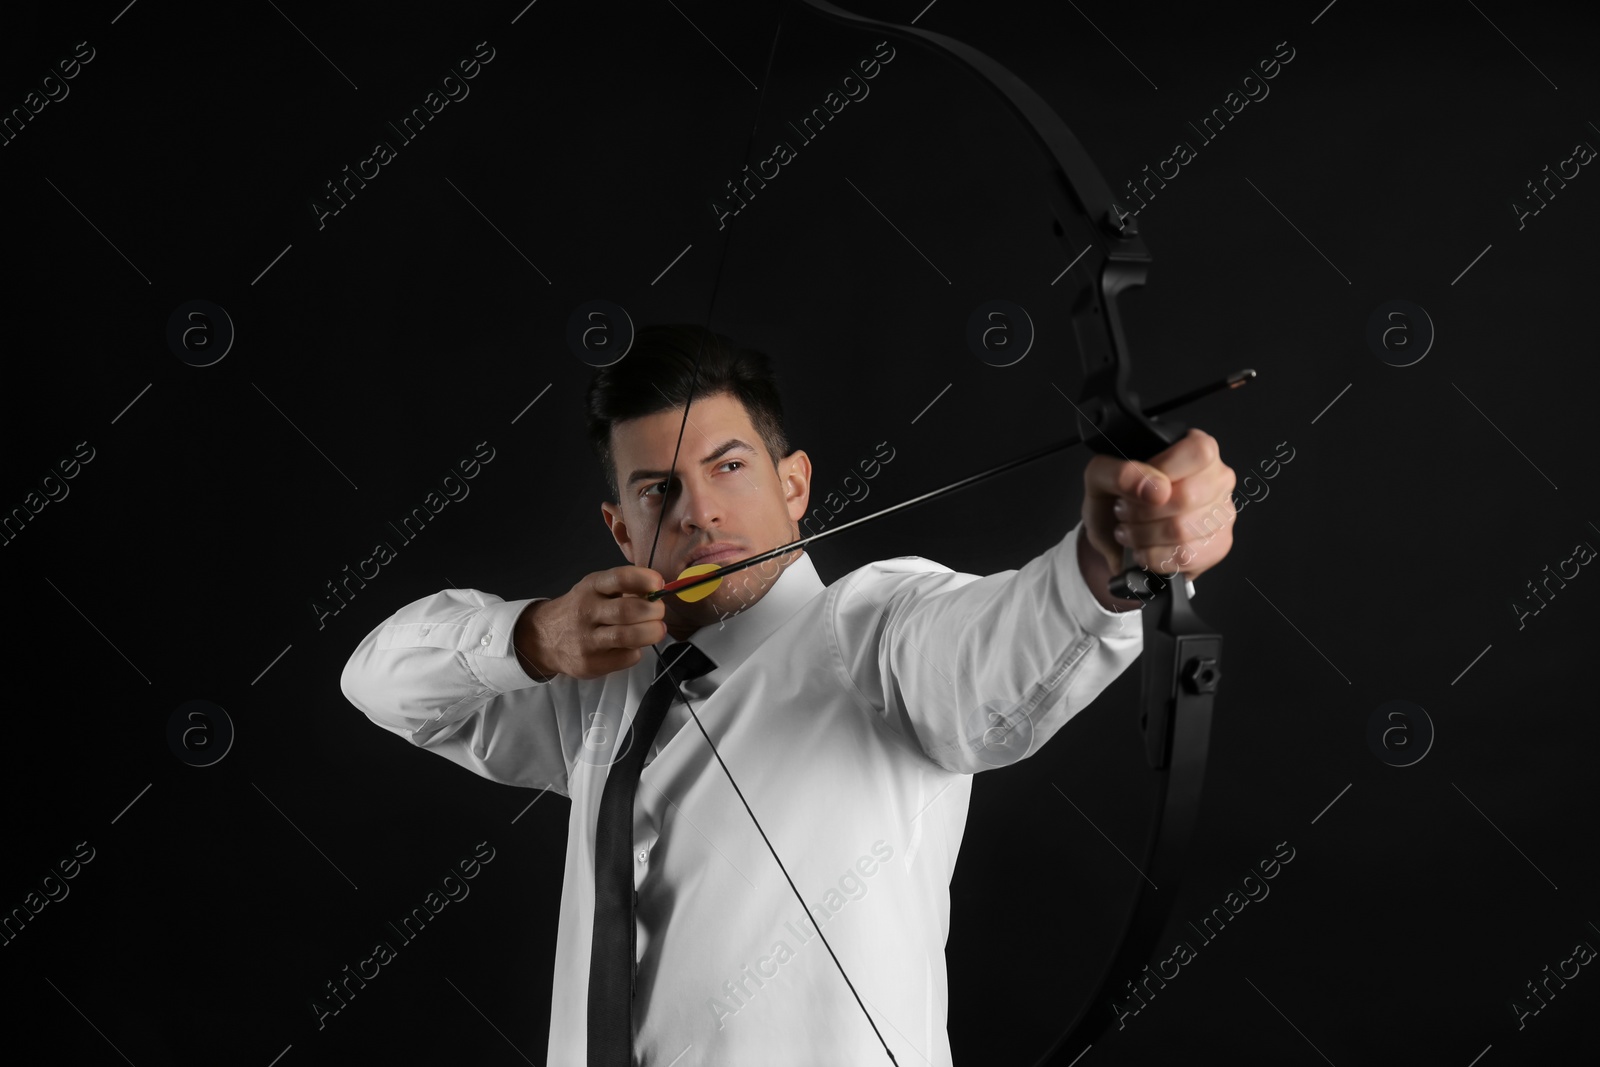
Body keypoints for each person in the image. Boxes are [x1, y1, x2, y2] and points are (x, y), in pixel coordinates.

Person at [340, 324, 1238, 1066]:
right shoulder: (595, 687)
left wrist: (1114, 561)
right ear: (621, 528)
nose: (697, 511)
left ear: (795, 483)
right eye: (659, 490)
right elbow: (381, 680)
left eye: (729, 466)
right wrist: (535, 635)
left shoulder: (875, 629)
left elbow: (994, 654)